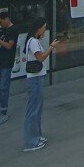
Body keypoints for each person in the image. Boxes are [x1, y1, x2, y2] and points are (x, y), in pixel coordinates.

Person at [23, 18, 59, 152]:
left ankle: (37, 136)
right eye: (43, 27)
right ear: (37, 28)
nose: (44, 30)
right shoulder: (33, 41)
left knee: (37, 109)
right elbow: (41, 58)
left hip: (37, 77)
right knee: (33, 110)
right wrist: (51, 47)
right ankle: (30, 142)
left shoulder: (33, 41)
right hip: (35, 79)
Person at [0, 11, 19, 125]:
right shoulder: (4, 30)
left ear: (6, 19)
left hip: (7, 61)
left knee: (3, 87)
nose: (0, 24)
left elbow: (9, 45)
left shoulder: (13, 30)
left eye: (1, 22)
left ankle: (4, 112)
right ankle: (2, 110)